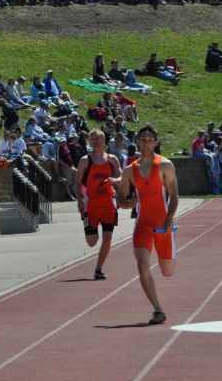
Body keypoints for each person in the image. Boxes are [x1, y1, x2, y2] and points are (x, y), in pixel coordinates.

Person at [117, 126, 179, 325]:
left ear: (156, 143)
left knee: (167, 271)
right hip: (142, 224)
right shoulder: (129, 170)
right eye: (142, 139)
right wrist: (126, 203)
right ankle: (158, 310)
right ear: (137, 141)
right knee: (142, 264)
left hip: (162, 224)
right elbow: (120, 197)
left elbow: (174, 194)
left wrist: (169, 217)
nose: (145, 142)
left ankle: (168, 258)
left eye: (149, 139)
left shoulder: (165, 165)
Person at [74, 129, 123, 280]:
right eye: (92, 139)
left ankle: (98, 269)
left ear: (104, 141)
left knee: (107, 237)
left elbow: (121, 177)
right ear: (89, 142)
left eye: (98, 138)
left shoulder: (112, 159)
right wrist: (80, 199)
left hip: (108, 203)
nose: (96, 141)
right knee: (92, 242)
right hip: (91, 204)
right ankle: (88, 227)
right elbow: (76, 182)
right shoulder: (85, 160)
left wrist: (114, 181)